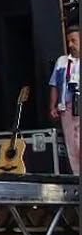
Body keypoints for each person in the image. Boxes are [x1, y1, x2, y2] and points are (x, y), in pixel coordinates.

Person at [48, 26, 80, 175]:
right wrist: (52, 106)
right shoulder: (62, 61)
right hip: (66, 107)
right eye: (68, 41)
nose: (70, 45)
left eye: (73, 41)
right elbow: (54, 84)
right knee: (72, 146)